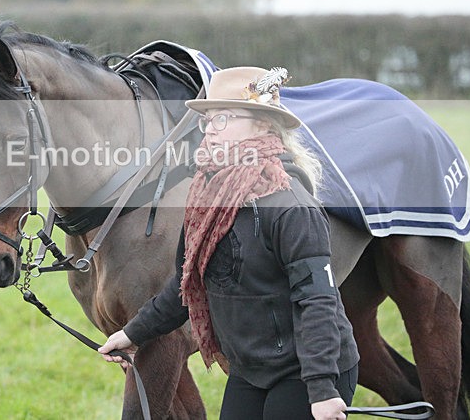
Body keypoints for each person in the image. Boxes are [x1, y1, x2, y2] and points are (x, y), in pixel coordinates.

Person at [99, 66, 359, 420]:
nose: (210, 129)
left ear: (264, 124)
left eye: (225, 118)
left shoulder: (292, 207)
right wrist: (133, 333)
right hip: (250, 369)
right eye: (209, 119)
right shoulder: (207, 198)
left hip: (307, 372)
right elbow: (185, 284)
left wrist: (323, 390)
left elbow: (317, 302)